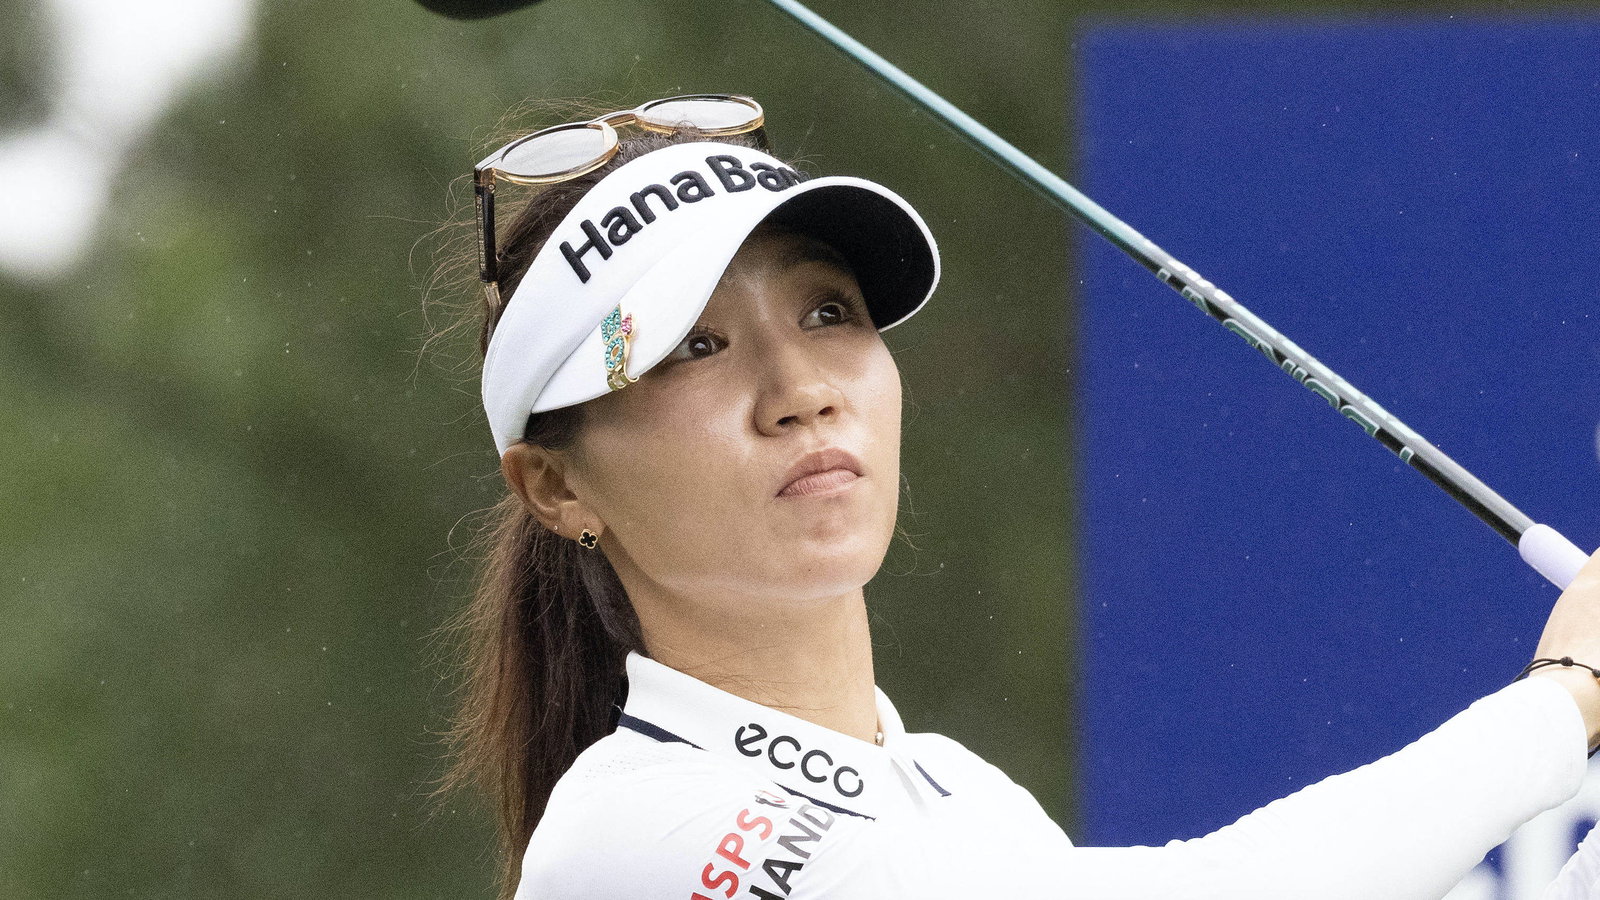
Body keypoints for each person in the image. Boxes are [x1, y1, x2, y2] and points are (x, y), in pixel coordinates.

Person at [432, 94, 1600, 900]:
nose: (799, 391)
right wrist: (1565, 698)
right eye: (693, 347)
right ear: (556, 485)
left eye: (828, 312)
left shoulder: (961, 798)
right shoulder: (631, 839)